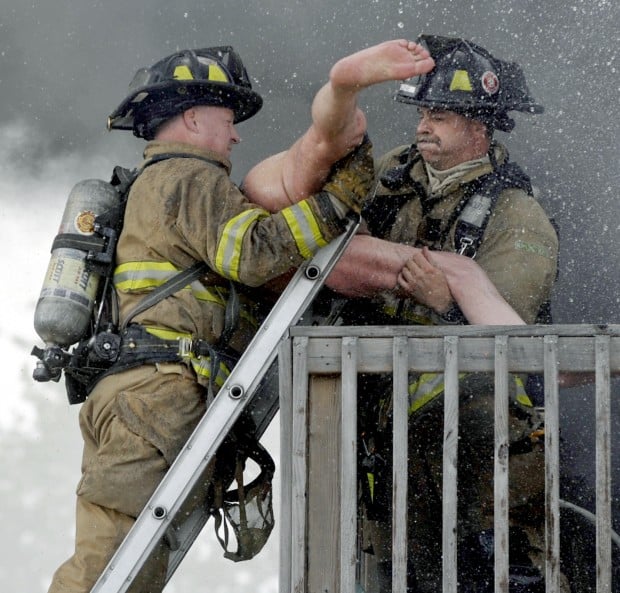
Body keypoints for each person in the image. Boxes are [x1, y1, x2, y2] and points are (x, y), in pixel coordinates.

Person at [46, 45, 374, 593]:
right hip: (155, 398)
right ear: (194, 118)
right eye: (228, 120)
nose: (237, 137)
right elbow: (253, 253)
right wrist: (335, 204)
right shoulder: (189, 177)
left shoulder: (159, 182)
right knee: (111, 567)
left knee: (130, 562)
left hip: (140, 396)